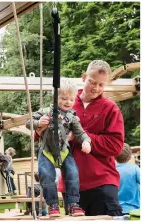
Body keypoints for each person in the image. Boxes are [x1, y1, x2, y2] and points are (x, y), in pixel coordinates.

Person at [36, 60, 125, 216]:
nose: (96, 88)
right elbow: (40, 136)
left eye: (101, 85)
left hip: (103, 182)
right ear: (84, 77)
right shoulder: (63, 101)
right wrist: (39, 129)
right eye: (92, 81)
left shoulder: (111, 108)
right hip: (71, 188)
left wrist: (78, 137)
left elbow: (116, 146)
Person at [27, 78, 90, 217]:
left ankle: (73, 204)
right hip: (47, 151)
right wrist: (38, 122)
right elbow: (28, 122)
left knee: (73, 173)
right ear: (54, 97)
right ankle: (53, 205)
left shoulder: (72, 117)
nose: (68, 102)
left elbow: (80, 133)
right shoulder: (45, 112)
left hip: (63, 151)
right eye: (64, 98)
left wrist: (86, 141)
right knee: (46, 176)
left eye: (71, 99)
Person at [115, 143, 140, 215]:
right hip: (133, 210)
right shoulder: (135, 169)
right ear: (130, 157)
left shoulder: (112, 170)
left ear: (114, 156)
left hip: (115, 209)